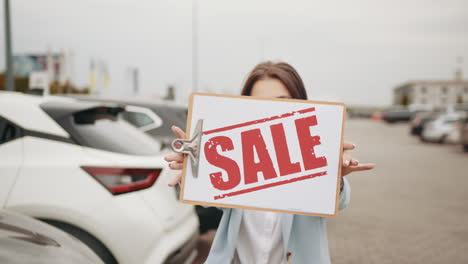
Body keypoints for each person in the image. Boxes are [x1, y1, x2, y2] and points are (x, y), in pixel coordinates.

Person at [164, 61, 375, 264]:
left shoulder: (312, 154)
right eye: (259, 102)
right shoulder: (237, 154)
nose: (271, 109)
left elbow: (340, 199)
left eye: (282, 100)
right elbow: (209, 199)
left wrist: (334, 178)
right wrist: (193, 170)